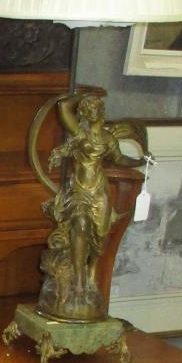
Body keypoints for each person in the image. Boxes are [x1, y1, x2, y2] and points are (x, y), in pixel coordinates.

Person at [34, 92, 147, 322]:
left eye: (97, 108)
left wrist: (140, 160)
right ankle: (77, 279)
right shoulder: (79, 133)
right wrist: (85, 94)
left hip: (100, 193)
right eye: (89, 109)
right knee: (80, 225)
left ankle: (90, 275)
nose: (94, 111)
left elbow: (119, 159)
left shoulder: (107, 139)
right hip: (79, 192)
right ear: (84, 113)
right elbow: (64, 106)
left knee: (99, 237)